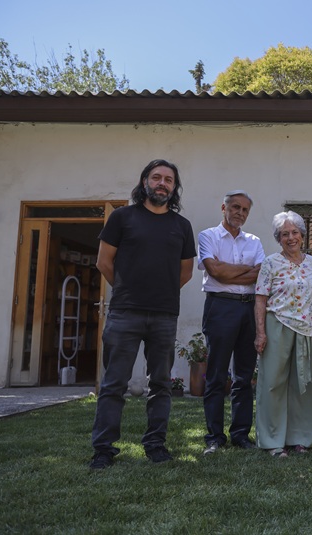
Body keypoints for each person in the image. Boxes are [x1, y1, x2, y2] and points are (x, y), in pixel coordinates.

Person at [90, 159, 196, 469]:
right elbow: (104, 262)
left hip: (164, 315)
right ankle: (103, 449)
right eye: (156, 177)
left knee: (161, 384)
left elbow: (185, 272)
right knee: (114, 384)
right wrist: (128, 289)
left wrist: (159, 292)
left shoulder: (182, 226)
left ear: (174, 187)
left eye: (168, 180)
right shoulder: (122, 217)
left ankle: (155, 445)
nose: (162, 183)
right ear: (144, 181)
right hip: (125, 312)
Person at [198, 190, 265, 455]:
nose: (240, 213)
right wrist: (237, 271)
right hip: (220, 307)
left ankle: (240, 434)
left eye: (245, 209)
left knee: (244, 376)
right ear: (223, 208)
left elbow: (260, 274)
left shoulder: (254, 241)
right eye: (235, 207)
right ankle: (215, 436)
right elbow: (215, 272)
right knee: (216, 375)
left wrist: (227, 271)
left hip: (249, 309)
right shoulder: (208, 236)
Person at [253, 211, 312, 457]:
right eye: (285, 234)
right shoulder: (270, 263)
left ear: (302, 235)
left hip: (307, 329)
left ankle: (300, 438)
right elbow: (260, 299)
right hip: (277, 325)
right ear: (278, 238)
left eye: (294, 232)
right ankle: (272, 441)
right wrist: (260, 333)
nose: (291, 238)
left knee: (304, 385)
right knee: (273, 383)